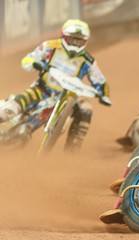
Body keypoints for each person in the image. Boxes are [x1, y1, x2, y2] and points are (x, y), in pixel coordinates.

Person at [0, 19, 112, 149]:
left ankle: (72, 149)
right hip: (40, 89)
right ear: (64, 36)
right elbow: (28, 59)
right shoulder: (50, 46)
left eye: (79, 41)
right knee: (8, 112)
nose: (75, 44)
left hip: (65, 99)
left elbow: (100, 80)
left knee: (86, 109)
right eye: (72, 40)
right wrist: (34, 63)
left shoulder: (88, 61)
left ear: (85, 41)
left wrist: (104, 94)